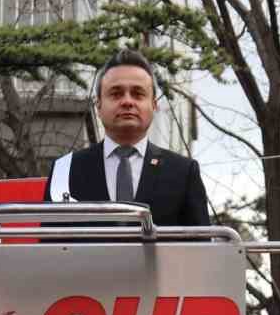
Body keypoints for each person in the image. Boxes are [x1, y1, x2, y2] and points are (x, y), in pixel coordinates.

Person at [43, 49, 210, 227]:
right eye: (116, 94)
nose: (127, 102)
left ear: (153, 105)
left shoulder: (183, 172)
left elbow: (201, 249)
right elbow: (49, 248)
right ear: (98, 105)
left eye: (138, 94)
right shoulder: (65, 170)